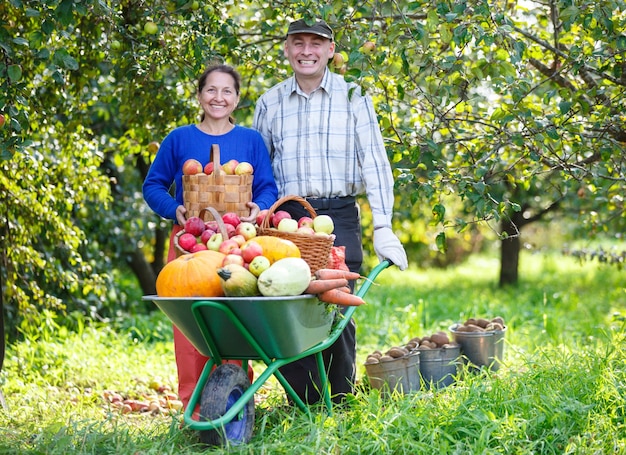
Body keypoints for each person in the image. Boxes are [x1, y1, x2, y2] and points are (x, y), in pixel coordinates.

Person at [252, 19, 408, 405]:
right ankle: (301, 401)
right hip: (286, 219)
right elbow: (259, 168)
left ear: (330, 50)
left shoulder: (353, 95)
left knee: (337, 308)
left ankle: (338, 399)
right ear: (286, 49)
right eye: (298, 43)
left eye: (316, 44)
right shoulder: (269, 102)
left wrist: (384, 225)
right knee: (289, 306)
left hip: (337, 214)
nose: (307, 51)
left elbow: (374, 161)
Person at [143, 63, 278, 412]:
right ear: (200, 95)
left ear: (236, 99)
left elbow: (267, 188)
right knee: (191, 325)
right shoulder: (179, 138)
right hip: (190, 240)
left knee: (235, 322)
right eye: (211, 90)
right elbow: (153, 184)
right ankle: (194, 408)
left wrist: (256, 209)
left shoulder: (250, 140)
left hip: (235, 242)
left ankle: (236, 404)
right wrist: (174, 210)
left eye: (227, 91)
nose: (219, 97)